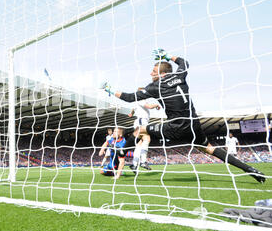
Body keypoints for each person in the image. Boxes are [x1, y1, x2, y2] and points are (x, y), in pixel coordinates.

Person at [101, 48, 266, 183]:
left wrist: (110, 90)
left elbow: (130, 97)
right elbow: (183, 62)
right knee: (210, 148)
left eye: (153, 71)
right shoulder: (180, 75)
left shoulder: (155, 87)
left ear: (162, 74)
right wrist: (168, 56)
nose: (151, 74)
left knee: (141, 130)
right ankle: (249, 169)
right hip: (193, 124)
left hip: (176, 126)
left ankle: (122, 152)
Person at [128, 97, 161, 173]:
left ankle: (134, 164)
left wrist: (131, 114)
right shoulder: (141, 100)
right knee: (147, 139)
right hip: (142, 121)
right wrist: (156, 105)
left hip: (139, 121)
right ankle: (143, 162)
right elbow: (149, 106)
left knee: (140, 143)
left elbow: (133, 110)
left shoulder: (136, 101)